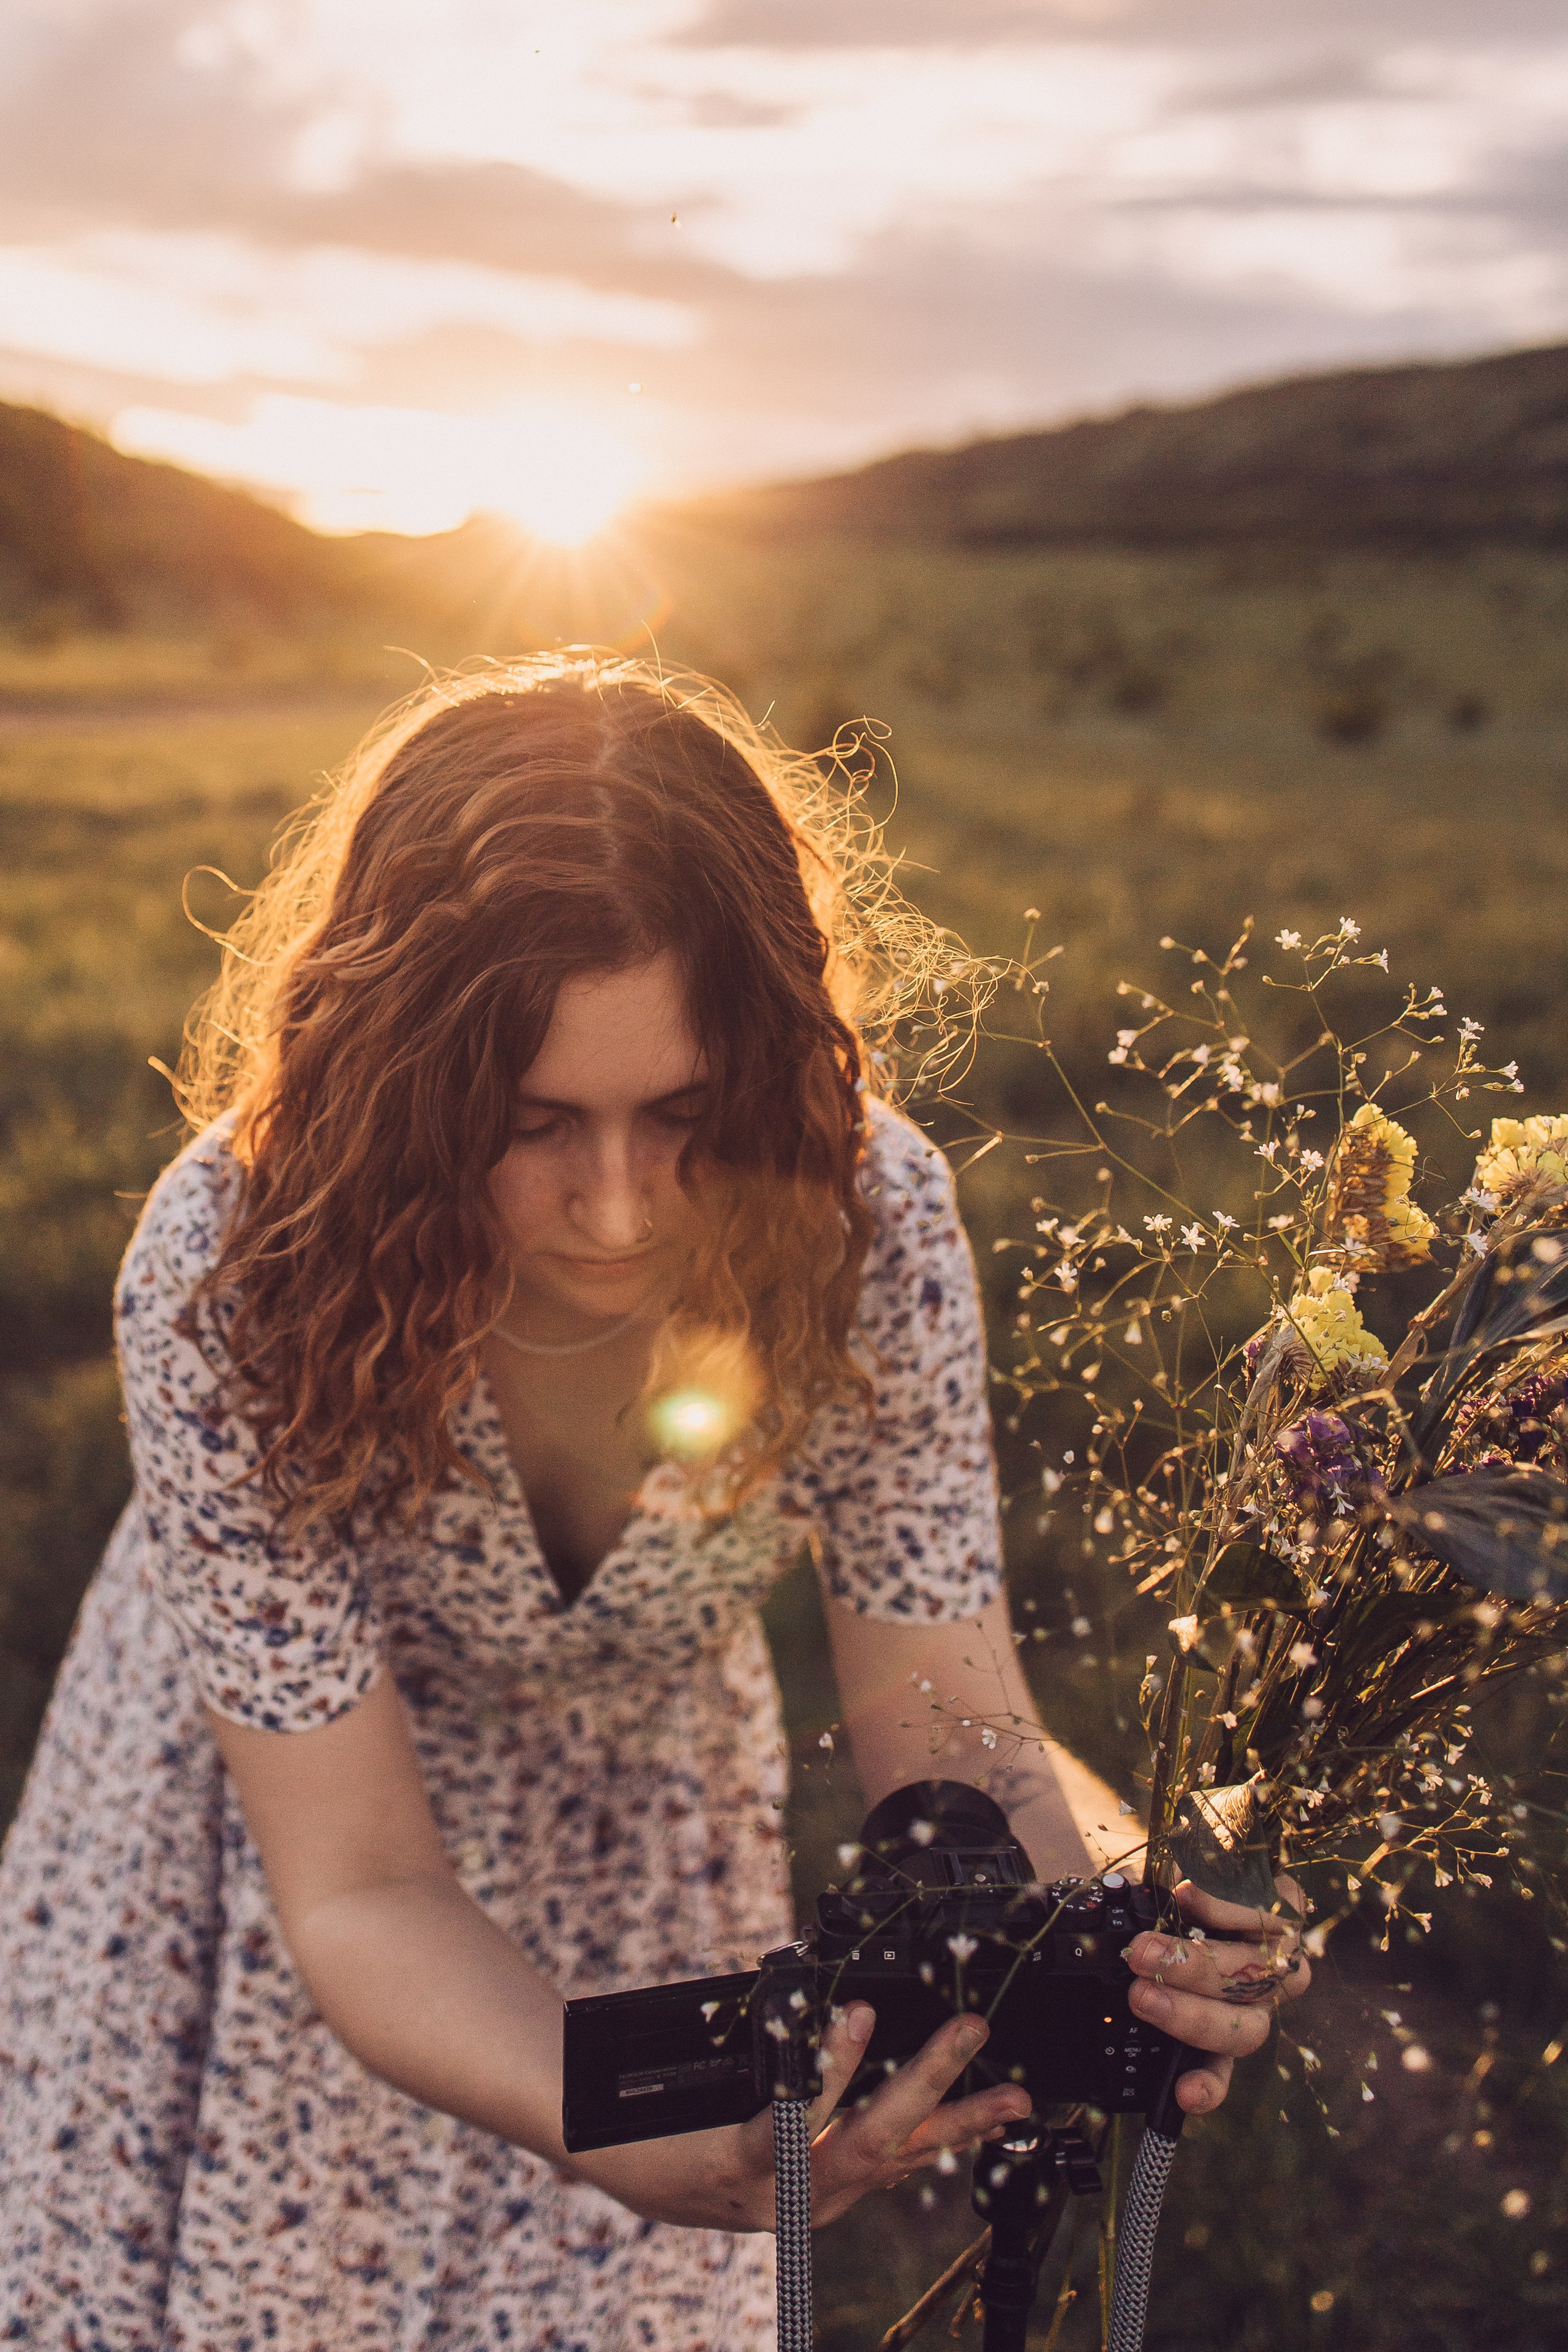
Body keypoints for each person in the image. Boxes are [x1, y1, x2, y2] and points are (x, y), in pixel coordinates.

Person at [0, 657, 1307, 2348]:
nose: (616, 1212)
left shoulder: (869, 1225)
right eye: (530, 1122)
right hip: (287, 1839)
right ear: (400, 1086)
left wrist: (1125, 1926)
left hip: (644, 1832)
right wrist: (575, 2104)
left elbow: (945, 1709)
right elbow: (360, 1884)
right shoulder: (229, 1272)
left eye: (682, 1116)